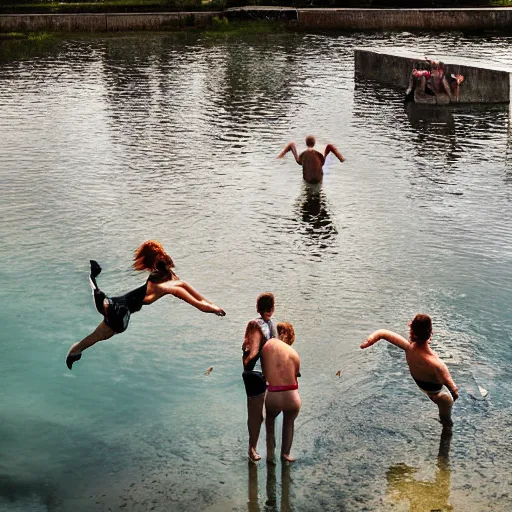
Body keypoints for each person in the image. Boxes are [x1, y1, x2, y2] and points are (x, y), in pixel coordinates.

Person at [66, 240, 226, 370]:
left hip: (118, 307)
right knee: (100, 332)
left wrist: (213, 306)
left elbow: (197, 298)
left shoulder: (168, 284)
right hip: (119, 311)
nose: (174, 276)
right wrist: (213, 308)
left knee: (100, 331)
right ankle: (75, 350)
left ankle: (76, 350)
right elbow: (196, 302)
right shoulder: (163, 287)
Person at [360, 314, 458, 428]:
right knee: (447, 422)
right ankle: (447, 434)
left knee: (445, 418)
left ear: (411, 330)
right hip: (439, 397)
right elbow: (454, 390)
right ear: (431, 333)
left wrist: (369, 341)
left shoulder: (408, 348)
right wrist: (453, 396)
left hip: (425, 389)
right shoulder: (437, 365)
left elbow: (383, 333)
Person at [242, 292, 278, 462]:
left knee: (257, 414)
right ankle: (252, 449)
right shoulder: (270, 326)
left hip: (252, 373)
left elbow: (247, 348)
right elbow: (274, 349)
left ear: (258, 308)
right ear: (271, 309)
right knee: (257, 415)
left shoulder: (253, 324)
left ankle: (254, 448)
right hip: (260, 374)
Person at [261, 322, 301, 463]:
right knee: (289, 423)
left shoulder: (267, 349)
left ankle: (270, 456)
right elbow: (296, 375)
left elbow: (265, 374)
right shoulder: (294, 354)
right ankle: (285, 455)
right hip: (291, 395)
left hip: (274, 395)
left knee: (270, 423)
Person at [277, 135, 345, 184]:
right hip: (318, 179)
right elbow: (330, 146)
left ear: (306, 144)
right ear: (314, 143)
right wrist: (340, 158)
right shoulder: (320, 156)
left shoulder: (302, 157)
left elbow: (292, 145)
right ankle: (341, 158)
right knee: (329, 146)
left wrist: (283, 153)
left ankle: (280, 156)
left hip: (308, 180)